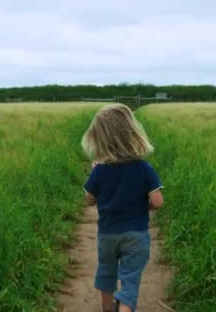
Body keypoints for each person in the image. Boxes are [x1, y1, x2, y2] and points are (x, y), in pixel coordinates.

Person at [81, 104, 164, 312]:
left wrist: (95, 175)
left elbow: (89, 200)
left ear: (99, 138)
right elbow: (158, 202)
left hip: (107, 235)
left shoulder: (99, 170)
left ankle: (108, 308)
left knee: (106, 271)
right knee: (130, 279)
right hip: (136, 235)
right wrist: (143, 206)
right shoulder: (144, 168)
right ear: (132, 133)